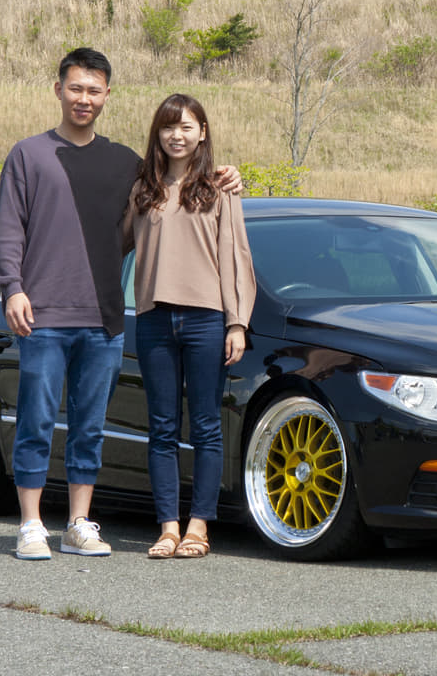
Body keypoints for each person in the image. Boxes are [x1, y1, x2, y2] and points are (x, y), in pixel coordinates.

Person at [0, 50, 241, 561]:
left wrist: (227, 176)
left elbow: (170, 210)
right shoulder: (29, 154)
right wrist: (12, 286)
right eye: (76, 88)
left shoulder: (127, 165)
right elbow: (11, 229)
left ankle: (79, 524)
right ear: (59, 89)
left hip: (105, 318)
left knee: (89, 425)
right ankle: (32, 526)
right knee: (37, 420)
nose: (85, 98)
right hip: (44, 315)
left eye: (94, 90)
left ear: (108, 95)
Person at [123, 93, 255, 559]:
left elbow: (236, 258)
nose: (176, 136)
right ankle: (167, 527)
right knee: (161, 428)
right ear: (157, 134)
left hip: (206, 321)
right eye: (167, 127)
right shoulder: (142, 190)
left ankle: (199, 525)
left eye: (186, 127)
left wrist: (237, 323)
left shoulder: (221, 190)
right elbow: (110, 245)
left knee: (205, 427)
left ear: (202, 133)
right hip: (154, 320)